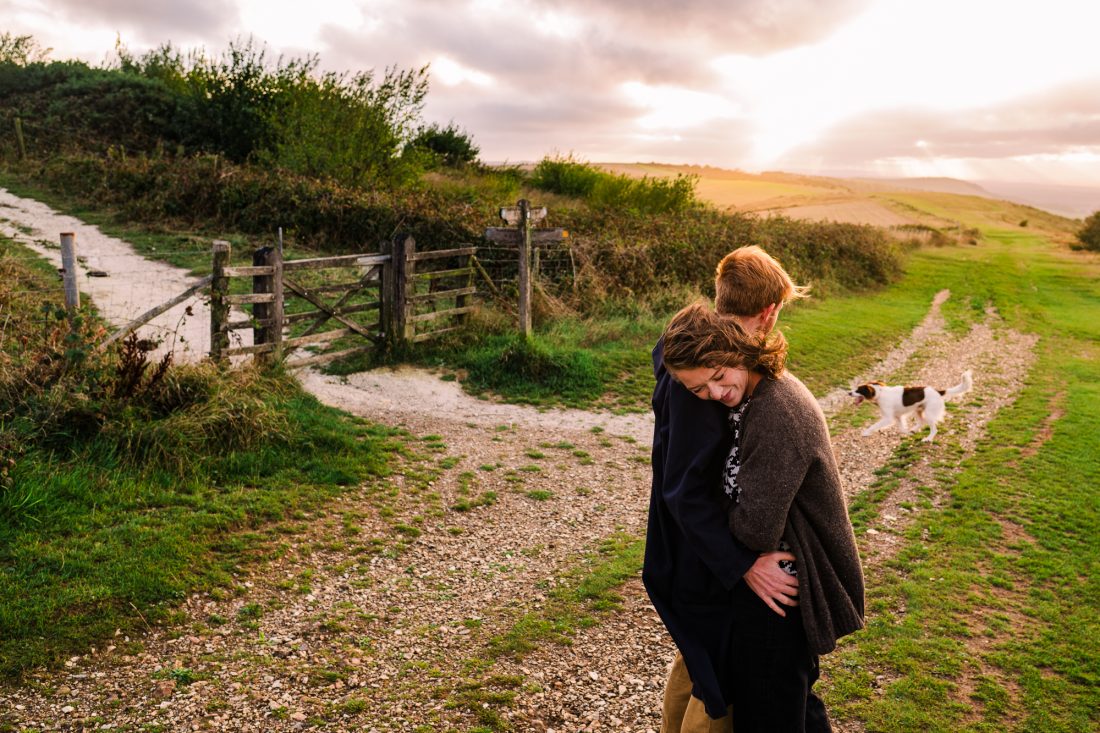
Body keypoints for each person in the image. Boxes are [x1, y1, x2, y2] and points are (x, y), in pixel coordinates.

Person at [661, 302, 865, 732]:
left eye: (719, 377)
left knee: (770, 710)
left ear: (737, 349)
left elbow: (756, 529)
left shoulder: (777, 411)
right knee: (793, 706)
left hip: (786, 583)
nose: (715, 394)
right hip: (774, 578)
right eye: (699, 390)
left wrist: (722, 526)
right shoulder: (752, 394)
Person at [643, 246, 810, 731]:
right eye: (708, 384)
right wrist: (742, 564)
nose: (714, 390)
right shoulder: (704, 373)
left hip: (690, 546)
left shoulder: (689, 353)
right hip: (699, 553)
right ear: (769, 312)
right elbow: (685, 490)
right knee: (719, 677)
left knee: (698, 658)